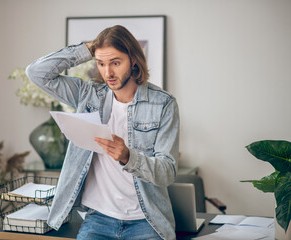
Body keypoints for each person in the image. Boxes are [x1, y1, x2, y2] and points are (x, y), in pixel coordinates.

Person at [26, 25, 180, 240]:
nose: (107, 73)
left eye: (115, 63)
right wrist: (89, 48)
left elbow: (168, 171)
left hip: (146, 221)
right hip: (98, 219)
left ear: (133, 60)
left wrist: (129, 157)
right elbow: (36, 73)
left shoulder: (163, 104)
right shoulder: (87, 95)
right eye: (101, 63)